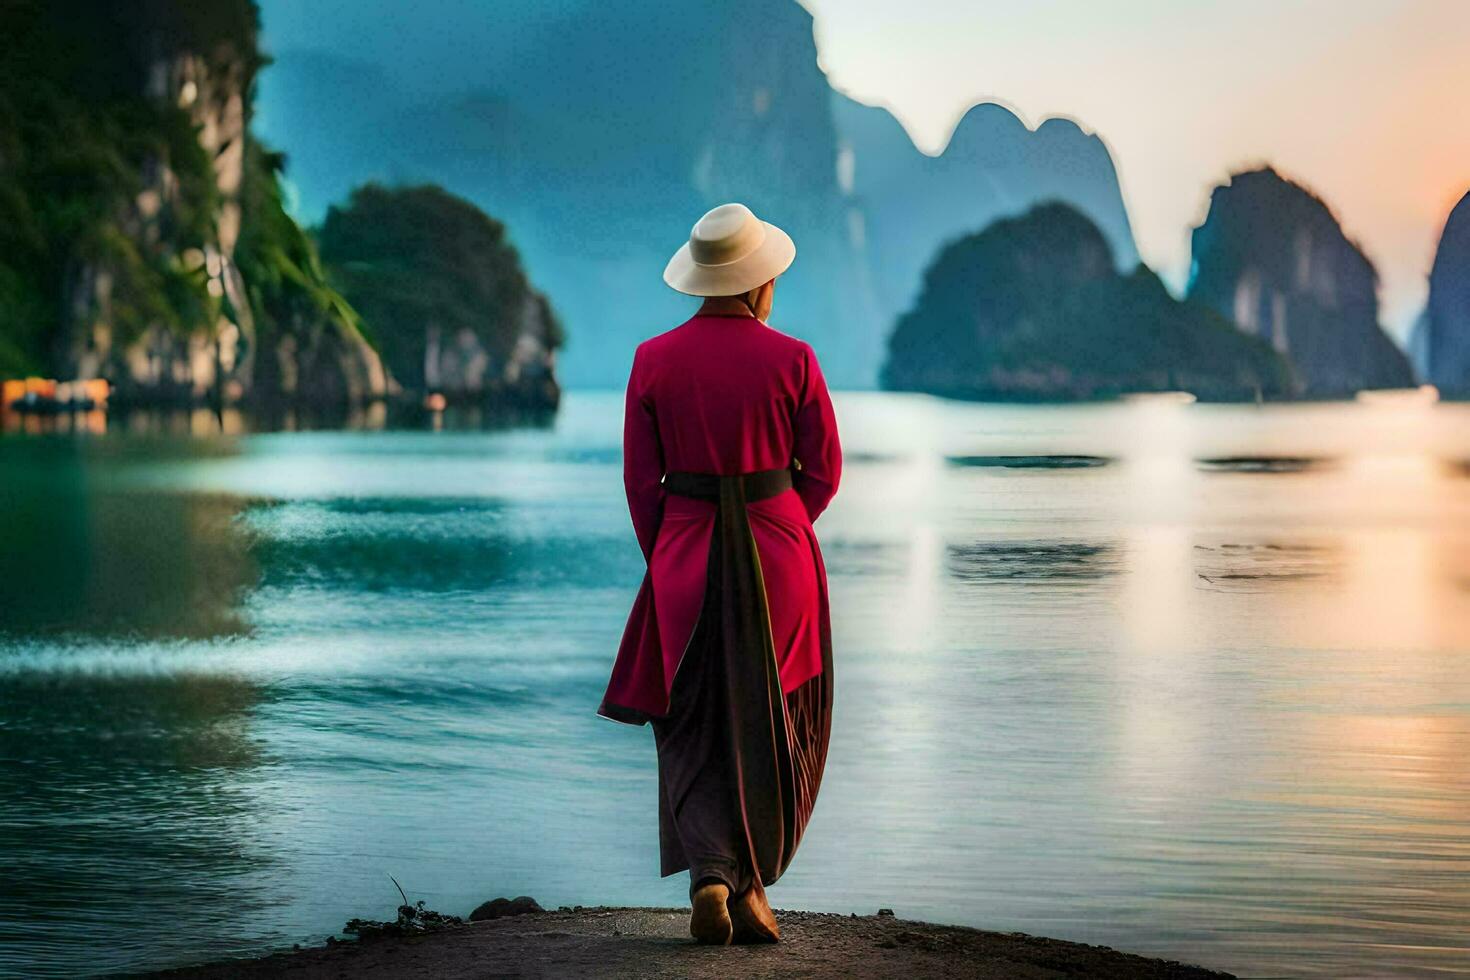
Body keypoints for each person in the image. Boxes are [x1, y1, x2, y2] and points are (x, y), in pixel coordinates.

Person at [598, 203, 842, 945]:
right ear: (759, 284)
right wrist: (780, 528)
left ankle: (712, 874)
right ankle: (751, 886)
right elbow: (825, 471)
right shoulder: (794, 359)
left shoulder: (652, 359)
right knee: (777, 718)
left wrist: (672, 549)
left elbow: (642, 486)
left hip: (685, 554)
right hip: (780, 560)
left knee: (692, 722)